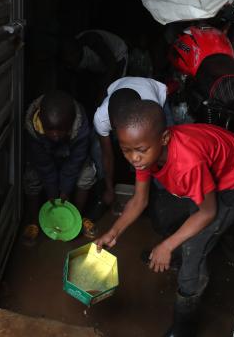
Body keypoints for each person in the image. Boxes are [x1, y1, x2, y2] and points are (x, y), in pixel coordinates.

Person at [94, 100, 234, 337]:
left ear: (163, 138)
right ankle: (199, 244)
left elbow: (207, 212)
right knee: (163, 215)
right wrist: (114, 231)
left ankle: (183, 329)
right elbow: (139, 200)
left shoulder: (187, 164)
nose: (133, 158)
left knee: (194, 250)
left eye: (139, 150)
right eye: (126, 150)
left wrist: (167, 246)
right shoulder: (144, 150)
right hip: (213, 169)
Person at [22, 90, 98, 244]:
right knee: (31, 176)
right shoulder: (33, 127)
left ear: (70, 124)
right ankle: (33, 222)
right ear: (41, 121)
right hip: (45, 161)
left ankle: (77, 216)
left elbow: (75, 162)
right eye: (50, 129)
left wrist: (65, 190)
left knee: (87, 174)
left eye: (61, 130)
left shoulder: (81, 127)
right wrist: (52, 192)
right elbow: (44, 165)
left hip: (70, 159)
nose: (55, 135)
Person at [93, 76, 174, 207]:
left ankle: (163, 192)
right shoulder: (101, 117)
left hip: (155, 91)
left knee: (166, 150)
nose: (134, 158)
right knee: (97, 148)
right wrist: (109, 188)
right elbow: (106, 155)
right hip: (118, 85)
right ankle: (103, 184)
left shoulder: (151, 110)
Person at [60, 29, 128, 111]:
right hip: (100, 63)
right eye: (67, 58)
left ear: (78, 49)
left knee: (114, 90)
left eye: (71, 55)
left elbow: (112, 65)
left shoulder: (92, 40)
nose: (69, 60)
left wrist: (103, 91)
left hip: (117, 58)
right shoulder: (69, 57)